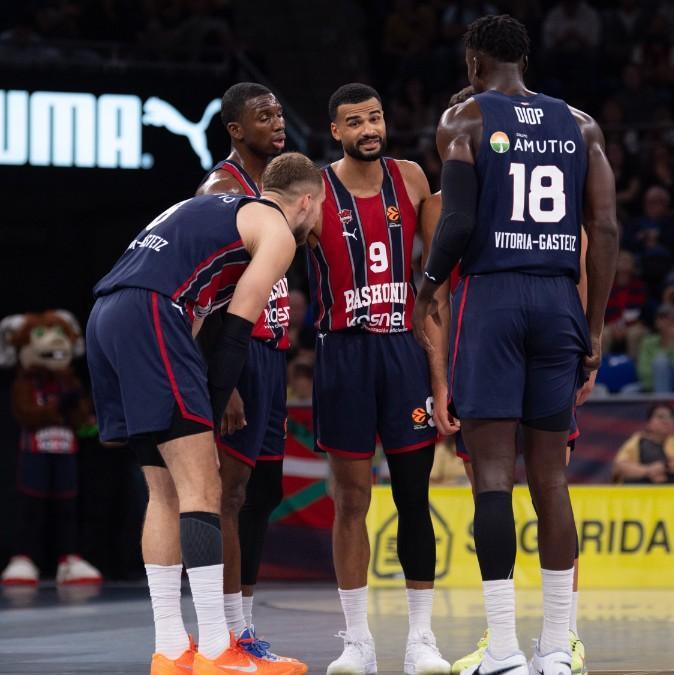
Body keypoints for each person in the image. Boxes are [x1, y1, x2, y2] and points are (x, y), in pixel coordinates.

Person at [414, 15, 618, 675]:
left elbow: (458, 220)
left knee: (494, 477)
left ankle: (502, 650)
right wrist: (594, 323)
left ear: (474, 64)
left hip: (494, 300)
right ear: (524, 61)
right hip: (559, 301)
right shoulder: (583, 125)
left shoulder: (465, 119)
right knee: (552, 478)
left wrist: (427, 284)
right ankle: (557, 649)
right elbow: (605, 229)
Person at [86, 153, 322, 674]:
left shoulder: (210, 212)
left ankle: (171, 650)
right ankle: (218, 650)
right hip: (153, 312)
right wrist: (208, 416)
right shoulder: (277, 229)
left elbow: (193, 314)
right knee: (202, 487)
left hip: (106, 315)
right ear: (306, 202)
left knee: (164, 491)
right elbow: (238, 329)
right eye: (320, 211)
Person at [309, 82, 448, 675]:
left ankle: (422, 640)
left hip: (403, 353)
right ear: (335, 131)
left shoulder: (411, 178)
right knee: (351, 501)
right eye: (355, 121)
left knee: (414, 498)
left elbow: (437, 289)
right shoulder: (313, 190)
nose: (369, 129)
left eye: (375, 117)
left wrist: (441, 381)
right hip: (342, 354)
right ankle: (357, 643)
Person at [194, 82, 304, 671]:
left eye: (279, 112)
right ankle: (227, 635)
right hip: (236, 355)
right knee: (229, 495)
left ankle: (246, 628)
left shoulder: (276, 190)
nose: (277, 122)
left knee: (263, 493)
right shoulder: (221, 190)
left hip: (271, 353)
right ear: (236, 130)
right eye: (264, 116)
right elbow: (208, 290)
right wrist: (225, 378)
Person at [613, 404, 674, 484]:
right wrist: (648, 471)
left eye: (670, 417)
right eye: (660, 417)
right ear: (648, 424)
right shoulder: (637, 442)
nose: (666, 421)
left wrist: (665, 468)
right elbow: (620, 467)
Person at [636, 304, 674, 394]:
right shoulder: (648, 342)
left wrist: (672, 342)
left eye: (671, 319)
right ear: (656, 321)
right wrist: (661, 376)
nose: (666, 322)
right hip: (652, 386)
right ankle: (661, 397)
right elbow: (643, 372)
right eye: (662, 317)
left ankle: (662, 401)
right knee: (628, 391)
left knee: (660, 362)